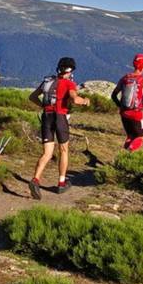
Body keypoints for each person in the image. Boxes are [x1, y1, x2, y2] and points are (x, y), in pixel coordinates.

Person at [27, 57, 91, 199]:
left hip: (46, 117)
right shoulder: (69, 83)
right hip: (60, 117)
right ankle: (61, 183)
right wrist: (85, 101)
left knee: (47, 153)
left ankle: (35, 179)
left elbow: (32, 97)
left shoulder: (47, 81)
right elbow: (74, 99)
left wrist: (44, 106)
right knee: (63, 150)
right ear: (71, 70)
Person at [111, 53, 143, 151]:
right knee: (140, 137)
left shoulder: (124, 78)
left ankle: (124, 156)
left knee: (130, 136)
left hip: (124, 113)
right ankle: (129, 152)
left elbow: (113, 95)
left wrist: (120, 106)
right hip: (136, 114)